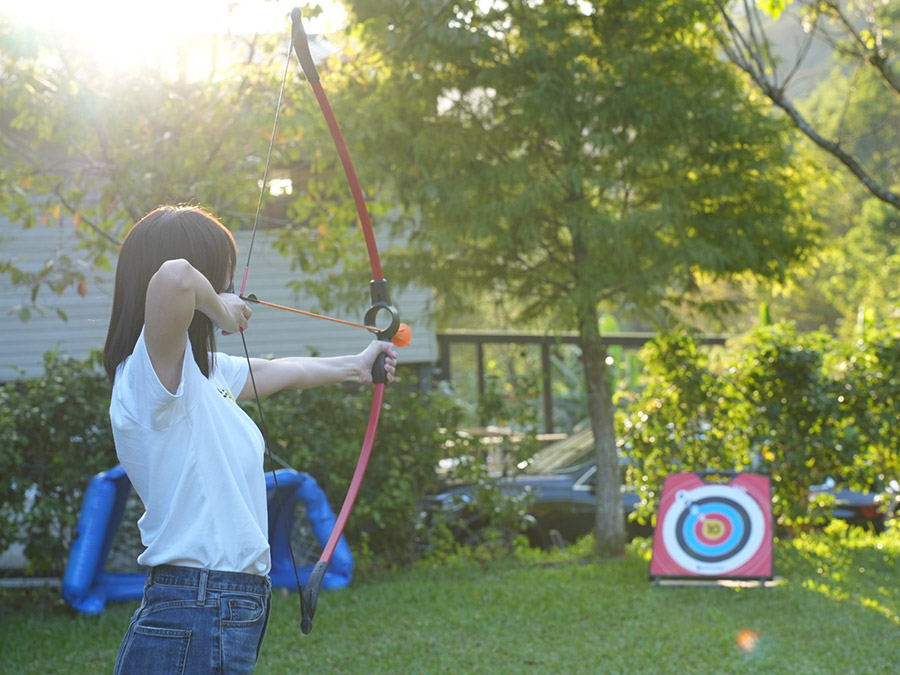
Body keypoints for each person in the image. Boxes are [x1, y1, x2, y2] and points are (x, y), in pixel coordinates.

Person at [102, 204, 397, 674]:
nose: (230, 287)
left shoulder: (199, 374)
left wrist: (356, 366)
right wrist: (220, 309)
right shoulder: (147, 376)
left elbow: (274, 371)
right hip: (194, 606)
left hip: (220, 607)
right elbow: (176, 277)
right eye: (224, 275)